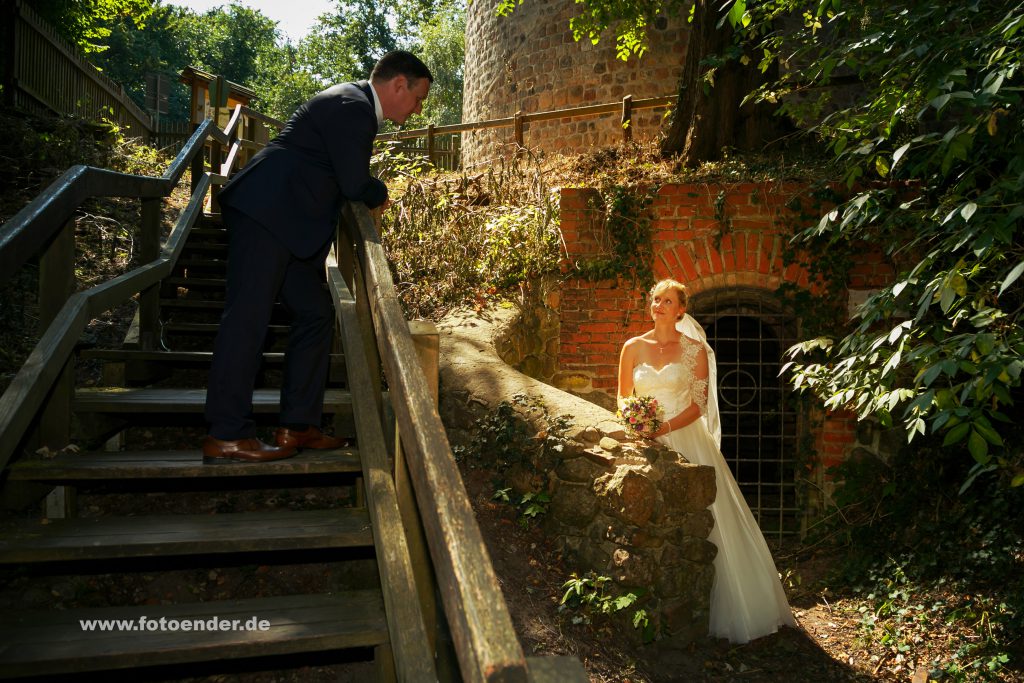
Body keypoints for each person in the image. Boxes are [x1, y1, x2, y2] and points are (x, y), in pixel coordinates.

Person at [202, 51, 433, 462]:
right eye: (418, 99)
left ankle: (298, 425)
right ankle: (227, 433)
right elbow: (353, 182)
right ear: (400, 84)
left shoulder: (354, 105)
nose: (417, 110)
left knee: (315, 313)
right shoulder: (354, 107)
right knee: (247, 319)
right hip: (267, 213)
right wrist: (379, 193)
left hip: (291, 226)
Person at [617, 278, 796, 643]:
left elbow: (698, 406)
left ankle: (733, 604)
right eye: (656, 299)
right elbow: (622, 397)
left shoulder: (694, 350)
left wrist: (663, 426)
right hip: (643, 438)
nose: (660, 305)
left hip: (685, 436)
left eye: (668, 300)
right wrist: (637, 422)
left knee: (714, 518)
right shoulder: (632, 347)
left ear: (681, 309)